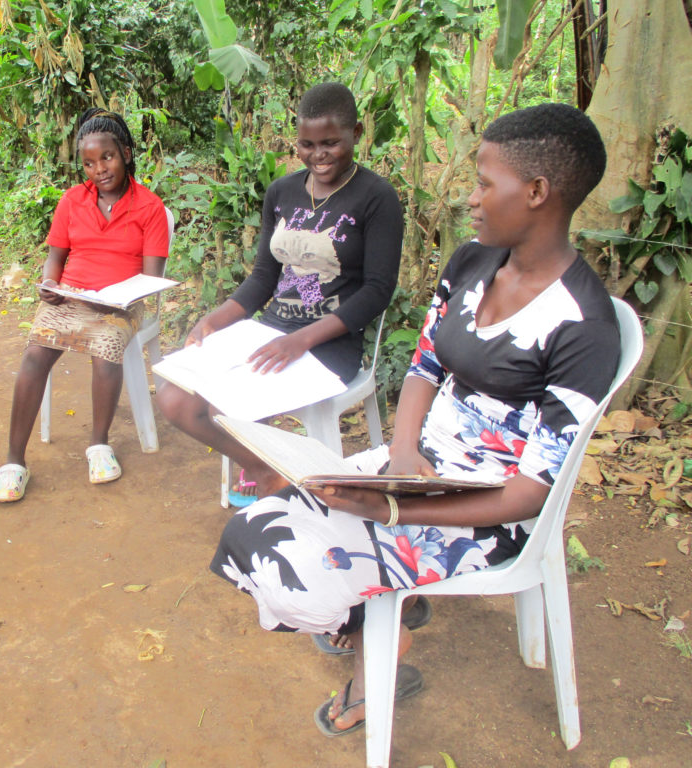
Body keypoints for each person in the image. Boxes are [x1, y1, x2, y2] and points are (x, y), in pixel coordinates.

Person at [209, 102, 620, 737]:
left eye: (486, 182)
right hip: (410, 471)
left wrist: (395, 510)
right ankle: (376, 626)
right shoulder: (473, 263)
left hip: (482, 510)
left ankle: (378, 641)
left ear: (538, 192)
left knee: (291, 578)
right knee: (247, 532)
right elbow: (426, 368)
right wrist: (400, 455)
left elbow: (527, 494)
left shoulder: (582, 327)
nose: (471, 199)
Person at [155, 82, 402, 506]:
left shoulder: (376, 198)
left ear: (357, 133)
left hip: (329, 345)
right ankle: (267, 468)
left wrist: (300, 340)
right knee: (174, 397)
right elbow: (264, 279)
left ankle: (269, 476)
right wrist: (215, 320)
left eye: (330, 143)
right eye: (307, 144)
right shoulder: (282, 192)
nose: (318, 155)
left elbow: (378, 291)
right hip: (269, 332)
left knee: (227, 400)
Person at [0, 108, 169, 503]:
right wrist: (51, 283)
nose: (99, 169)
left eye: (107, 157)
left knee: (106, 352)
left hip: (123, 303)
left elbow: (152, 280)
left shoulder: (150, 207)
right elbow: (55, 257)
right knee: (35, 354)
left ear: (124, 152)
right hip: (73, 296)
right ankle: (13, 463)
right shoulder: (72, 201)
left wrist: (124, 298)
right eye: (89, 163)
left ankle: (98, 446)